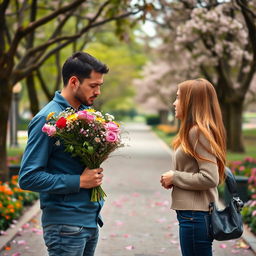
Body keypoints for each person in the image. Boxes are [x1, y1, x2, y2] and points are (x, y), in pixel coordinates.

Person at [19, 51, 109, 256]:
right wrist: (79, 181)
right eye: (93, 85)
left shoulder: (84, 115)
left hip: (89, 220)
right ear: (74, 82)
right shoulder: (47, 119)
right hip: (65, 226)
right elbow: (28, 177)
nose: (98, 92)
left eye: (100, 86)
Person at [160, 78, 226, 256]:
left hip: (196, 215)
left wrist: (175, 177)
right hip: (193, 214)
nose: (174, 103)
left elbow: (210, 178)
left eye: (179, 98)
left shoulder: (198, 133)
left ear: (191, 102)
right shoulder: (194, 131)